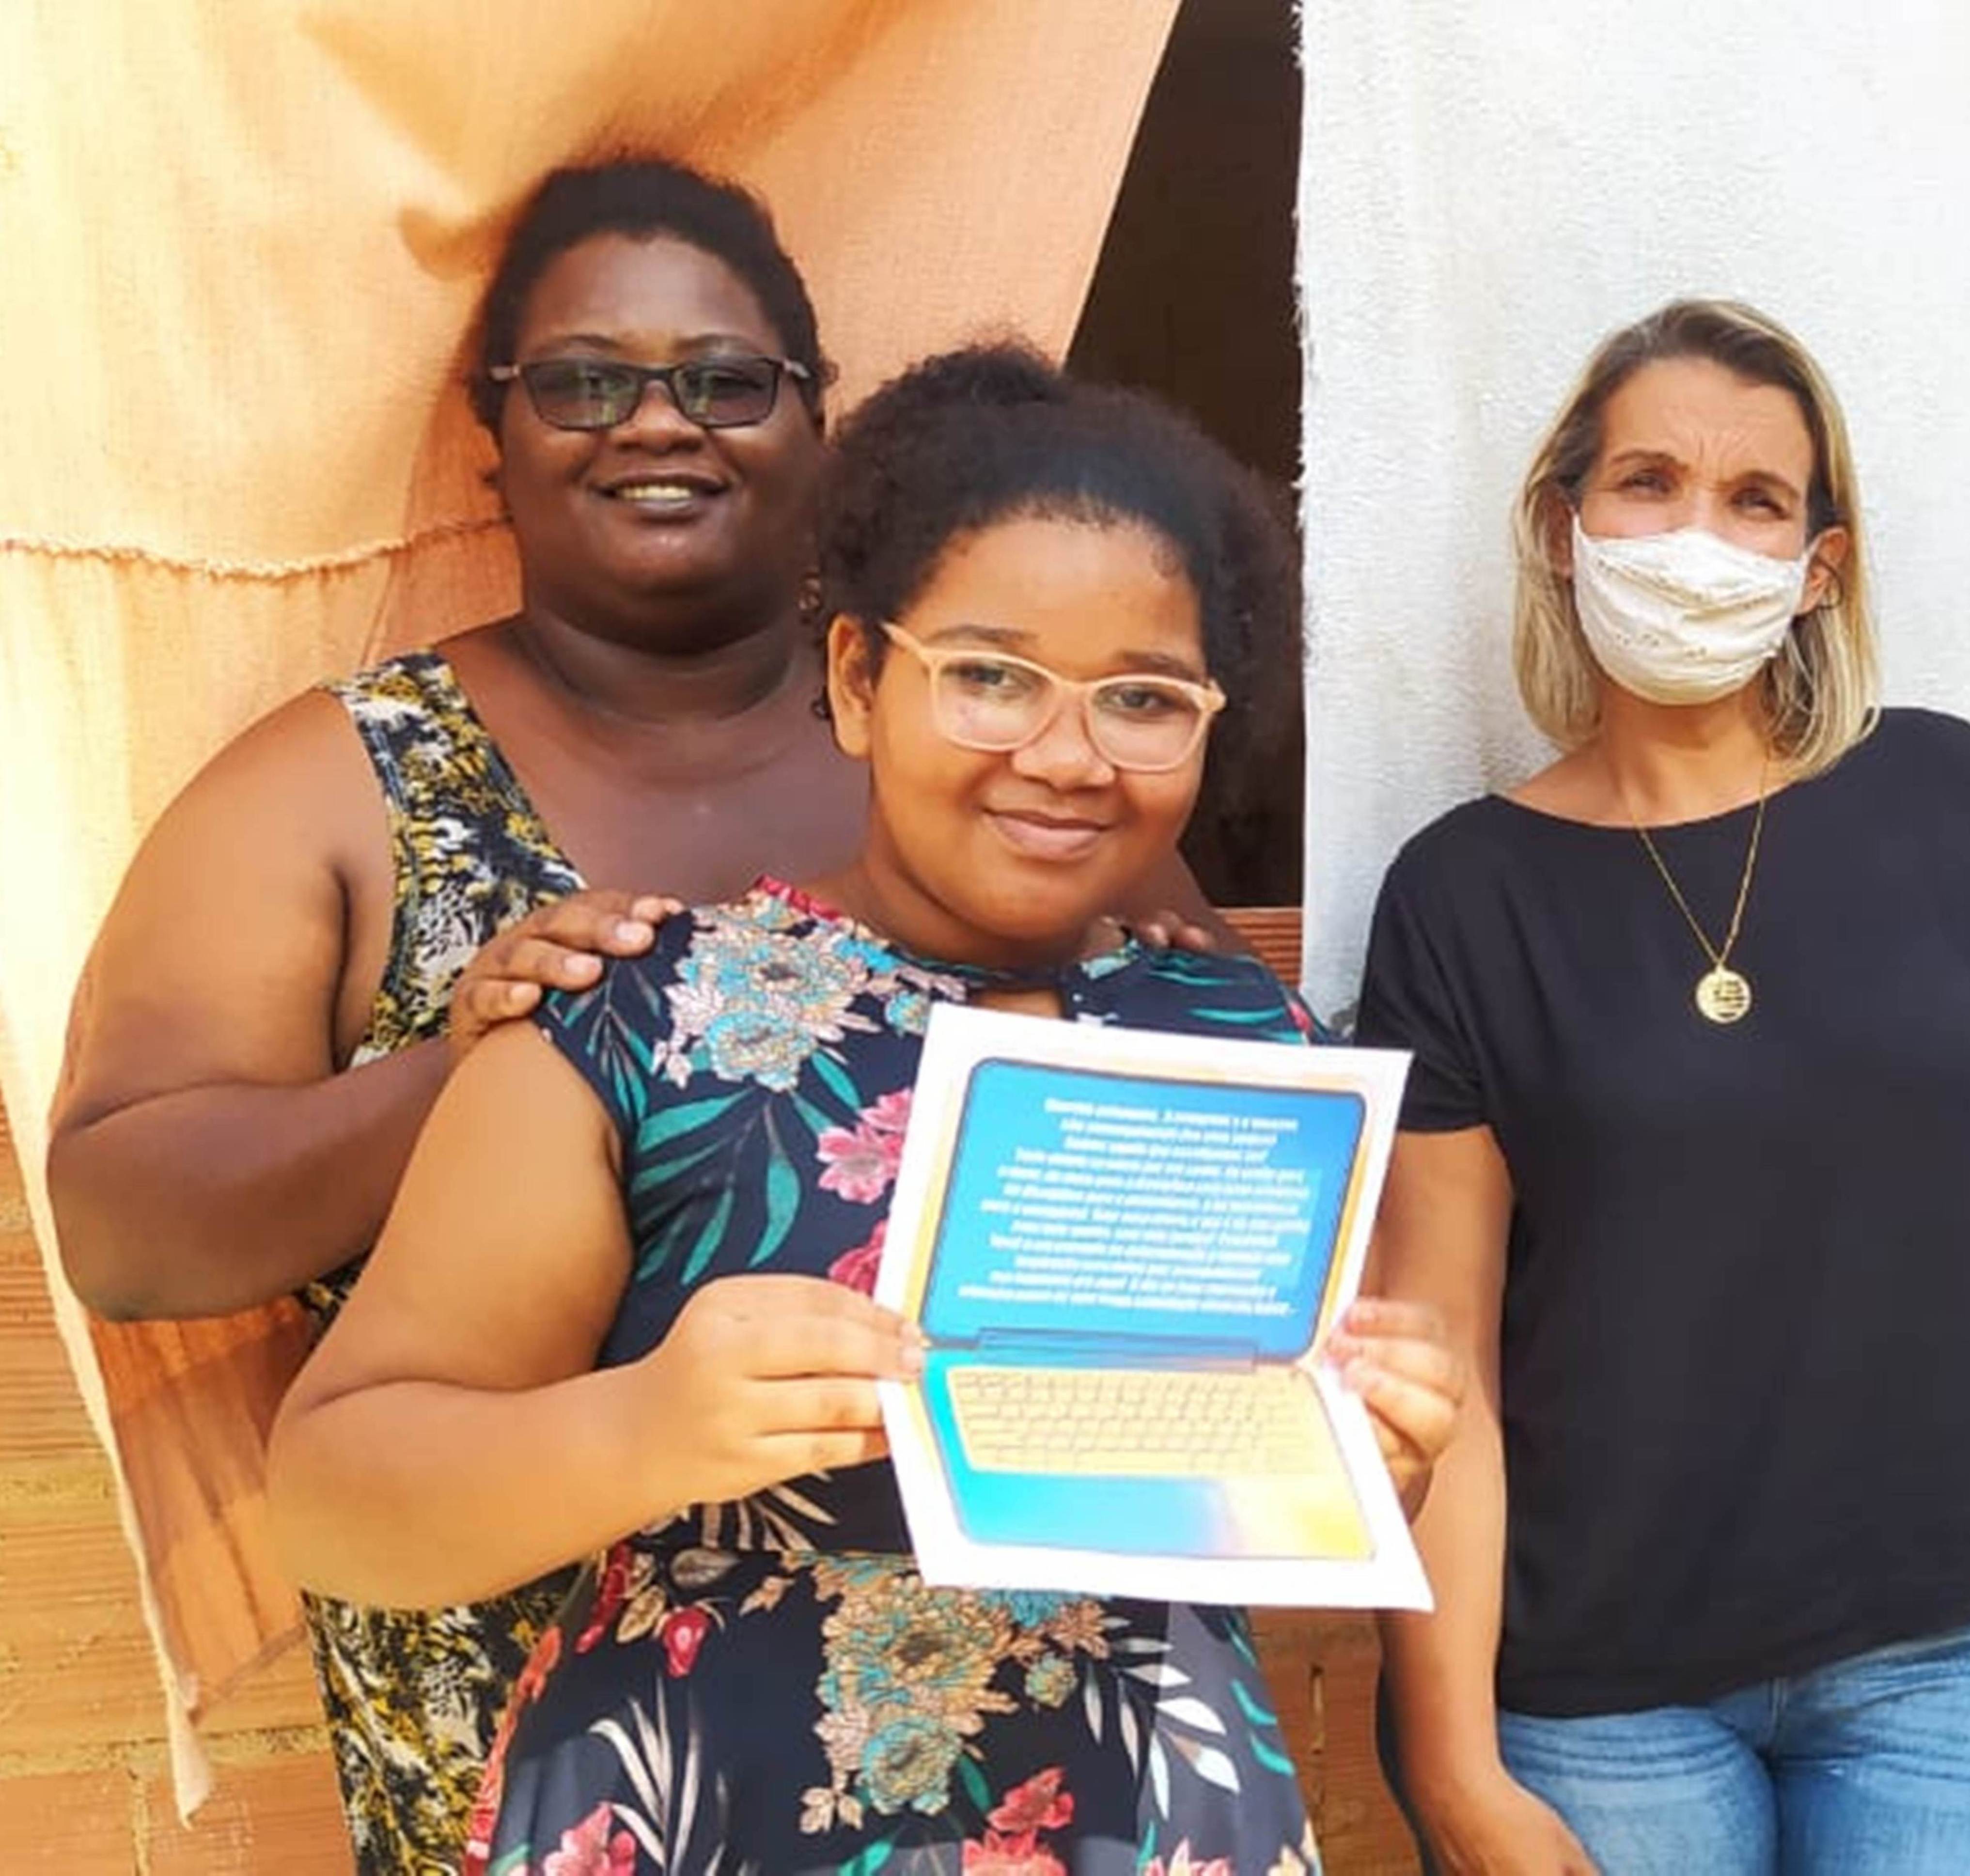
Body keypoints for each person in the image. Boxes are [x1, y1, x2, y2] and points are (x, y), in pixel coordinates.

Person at [45, 159, 1227, 1871]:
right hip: (519, 1710)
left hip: (1014, 1749)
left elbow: (1202, 1161)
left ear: (816, 422)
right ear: (492, 434)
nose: (658, 423)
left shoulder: (1005, 768)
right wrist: (478, 1071)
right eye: (586, 381)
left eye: (725, 381)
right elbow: (121, 1228)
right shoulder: (340, 783)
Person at [266, 343, 1460, 1876]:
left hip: (1146, 1823)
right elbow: (334, 1501)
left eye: (1142, 699)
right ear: (855, 680)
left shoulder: (1247, 1052)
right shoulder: (641, 1024)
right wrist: (644, 1429)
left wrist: (1370, 1452)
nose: (1066, 756)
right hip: (711, 1815)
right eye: (989, 676)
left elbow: (1243, 1499)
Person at [1357, 298, 1970, 1876]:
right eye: (1647, 483)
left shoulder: (1951, 797)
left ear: (1818, 568)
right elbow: (1440, 1363)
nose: (1696, 538)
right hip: (1599, 1694)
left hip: (1967, 1658)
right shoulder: (1461, 896)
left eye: (1754, 501)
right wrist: (1453, 1759)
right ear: (1560, 527)